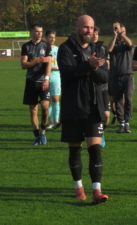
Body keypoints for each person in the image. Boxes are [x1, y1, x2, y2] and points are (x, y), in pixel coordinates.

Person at [58, 15, 109, 204]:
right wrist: (88, 65)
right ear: (77, 27)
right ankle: (78, 187)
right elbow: (68, 74)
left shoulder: (98, 49)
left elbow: (105, 78)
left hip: (94, 107)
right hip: (72, 106)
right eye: (86, 27)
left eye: (92, 28)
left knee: (95, 149)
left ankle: (97, 191)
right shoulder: (65, 48)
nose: (89, 31)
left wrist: (94, 69)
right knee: (75, 150)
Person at [21, 24, 51, 145]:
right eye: (37, 31)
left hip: (43, 81)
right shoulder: (26, 46)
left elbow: (48, 63)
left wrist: (47, 79)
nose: (39, 33)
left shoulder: (46, 45)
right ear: (31, 32)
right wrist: (37, 61)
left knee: (44, 107)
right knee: (33, 110)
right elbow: (23, 65)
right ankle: (37, 135)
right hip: (31, 82)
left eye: (41, 31)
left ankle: (43, 131)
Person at [108, 22, 134, 133]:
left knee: (128, 99)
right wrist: (115, 35)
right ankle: (121, 123)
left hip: (128, 75)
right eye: (119, 31)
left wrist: (121, 34)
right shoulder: (114, 42)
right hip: (115, 76)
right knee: (117, 100)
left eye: (123, 31)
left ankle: (127, 122)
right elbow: (109, 50)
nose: (120, 33)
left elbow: (130, 45)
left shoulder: (127, 43)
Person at [93, 26, 110, 148]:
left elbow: (107, 66)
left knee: (107, 115)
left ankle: (102, 133)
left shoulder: (103, 49)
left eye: (97, 34)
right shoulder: (87, 48)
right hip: (94, 87)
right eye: (93, 34)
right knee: (95, 115)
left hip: (104, 87)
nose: (95, 36)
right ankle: (95, 135)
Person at [45, 30, 61, 129]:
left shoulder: (58, 49)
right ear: (46, 38)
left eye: (54, 37)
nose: (52, 39)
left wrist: (53, 67)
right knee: (47, 100)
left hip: (56, 75)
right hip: (45, 77)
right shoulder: (42, 49)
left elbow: (61, 64)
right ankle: (50, 121)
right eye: (50, 37)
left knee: (55, 98)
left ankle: (56, 120)